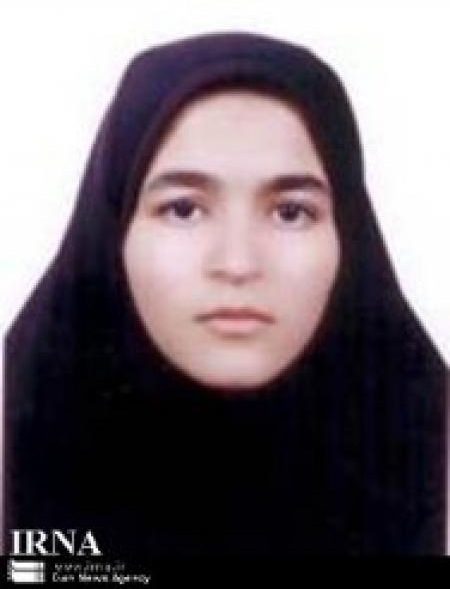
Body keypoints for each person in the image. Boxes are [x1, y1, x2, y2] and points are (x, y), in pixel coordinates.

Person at [4, 32, 448, 556]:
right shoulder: (15, 436)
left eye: (291, 213)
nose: (237, 264)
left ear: (347, 236)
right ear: (113, 229)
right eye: (183, 209)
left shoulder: (430, 444)